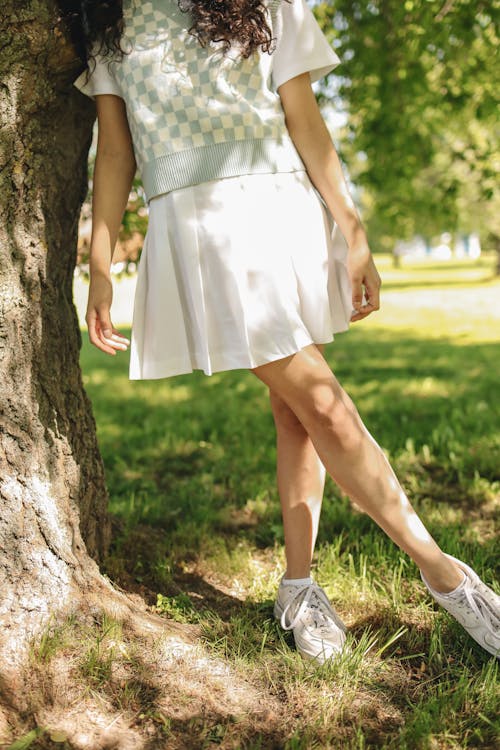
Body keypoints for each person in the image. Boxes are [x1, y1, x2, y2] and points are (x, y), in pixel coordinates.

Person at [72, 0, 499, 663]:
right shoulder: (112, 26)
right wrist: (100, 267)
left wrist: (353, 234)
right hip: (203, 233)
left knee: (298, 413)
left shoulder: (266, 3)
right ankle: (443, 571)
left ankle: (297, 588)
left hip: (287, 213)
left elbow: (305, 121)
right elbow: (116, 154)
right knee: (325, 406)